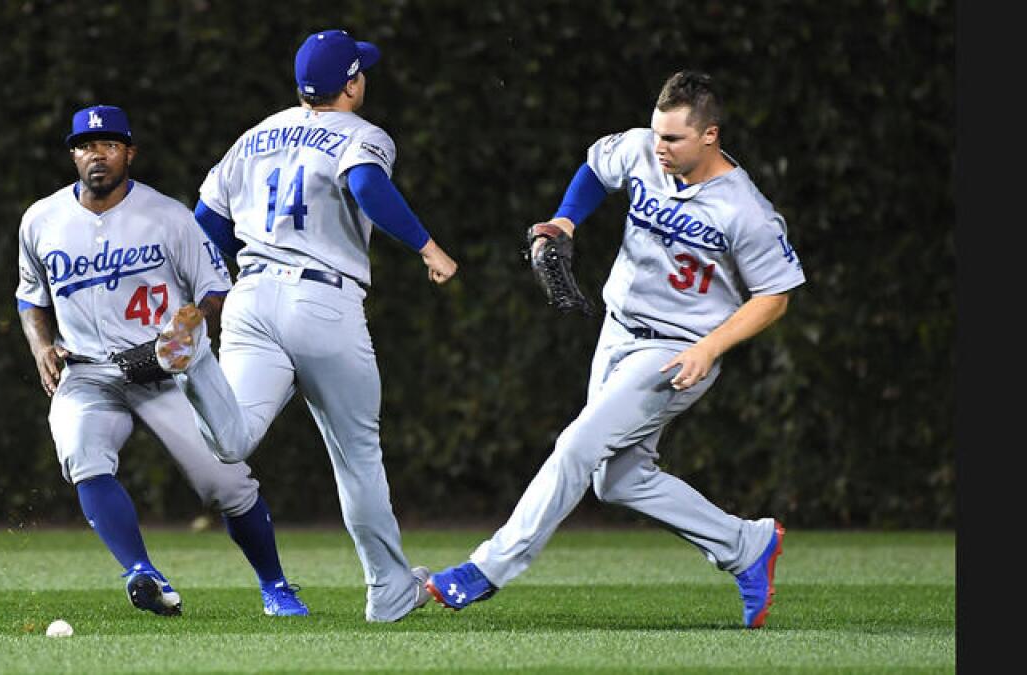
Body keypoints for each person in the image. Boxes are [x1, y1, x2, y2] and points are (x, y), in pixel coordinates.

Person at [426, 70, 804, 629]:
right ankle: (745, 545)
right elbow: (595, 170)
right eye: (657, 134)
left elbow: (776, 294)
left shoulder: (744, 209)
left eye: (674, 138)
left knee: (578, 444)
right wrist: (564, 220)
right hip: (619, 331)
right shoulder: (642, 151)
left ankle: (488, 568)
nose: (660, 147)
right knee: (619, 479)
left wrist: (711, 347)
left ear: (710, 136)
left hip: (676, 351)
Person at [159, 28, 459, 623]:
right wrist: (428, 247)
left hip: (249, 298)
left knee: (234, 440)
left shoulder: (252, 136)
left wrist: (199, 296)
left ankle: (196, 368)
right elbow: (366, 184)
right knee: (358, 456)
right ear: (351, 83)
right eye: (360, 73)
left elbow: (204, 226)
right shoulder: (362, 134)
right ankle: (387, 590)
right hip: (324, 301)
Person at [15, 104, 309, 618]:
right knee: (82, 454)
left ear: (129, 152)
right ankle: (142, 573)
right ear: (73, 155)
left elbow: (217, 292)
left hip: (167, 372)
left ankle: (276, 586)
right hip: (87, 372)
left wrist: (186, 332)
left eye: (108, 144)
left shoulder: (170, 216)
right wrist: (41, 345)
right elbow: (30, 297)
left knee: (228, 485)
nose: (96, 155)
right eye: (85, 146)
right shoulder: (41, 219)